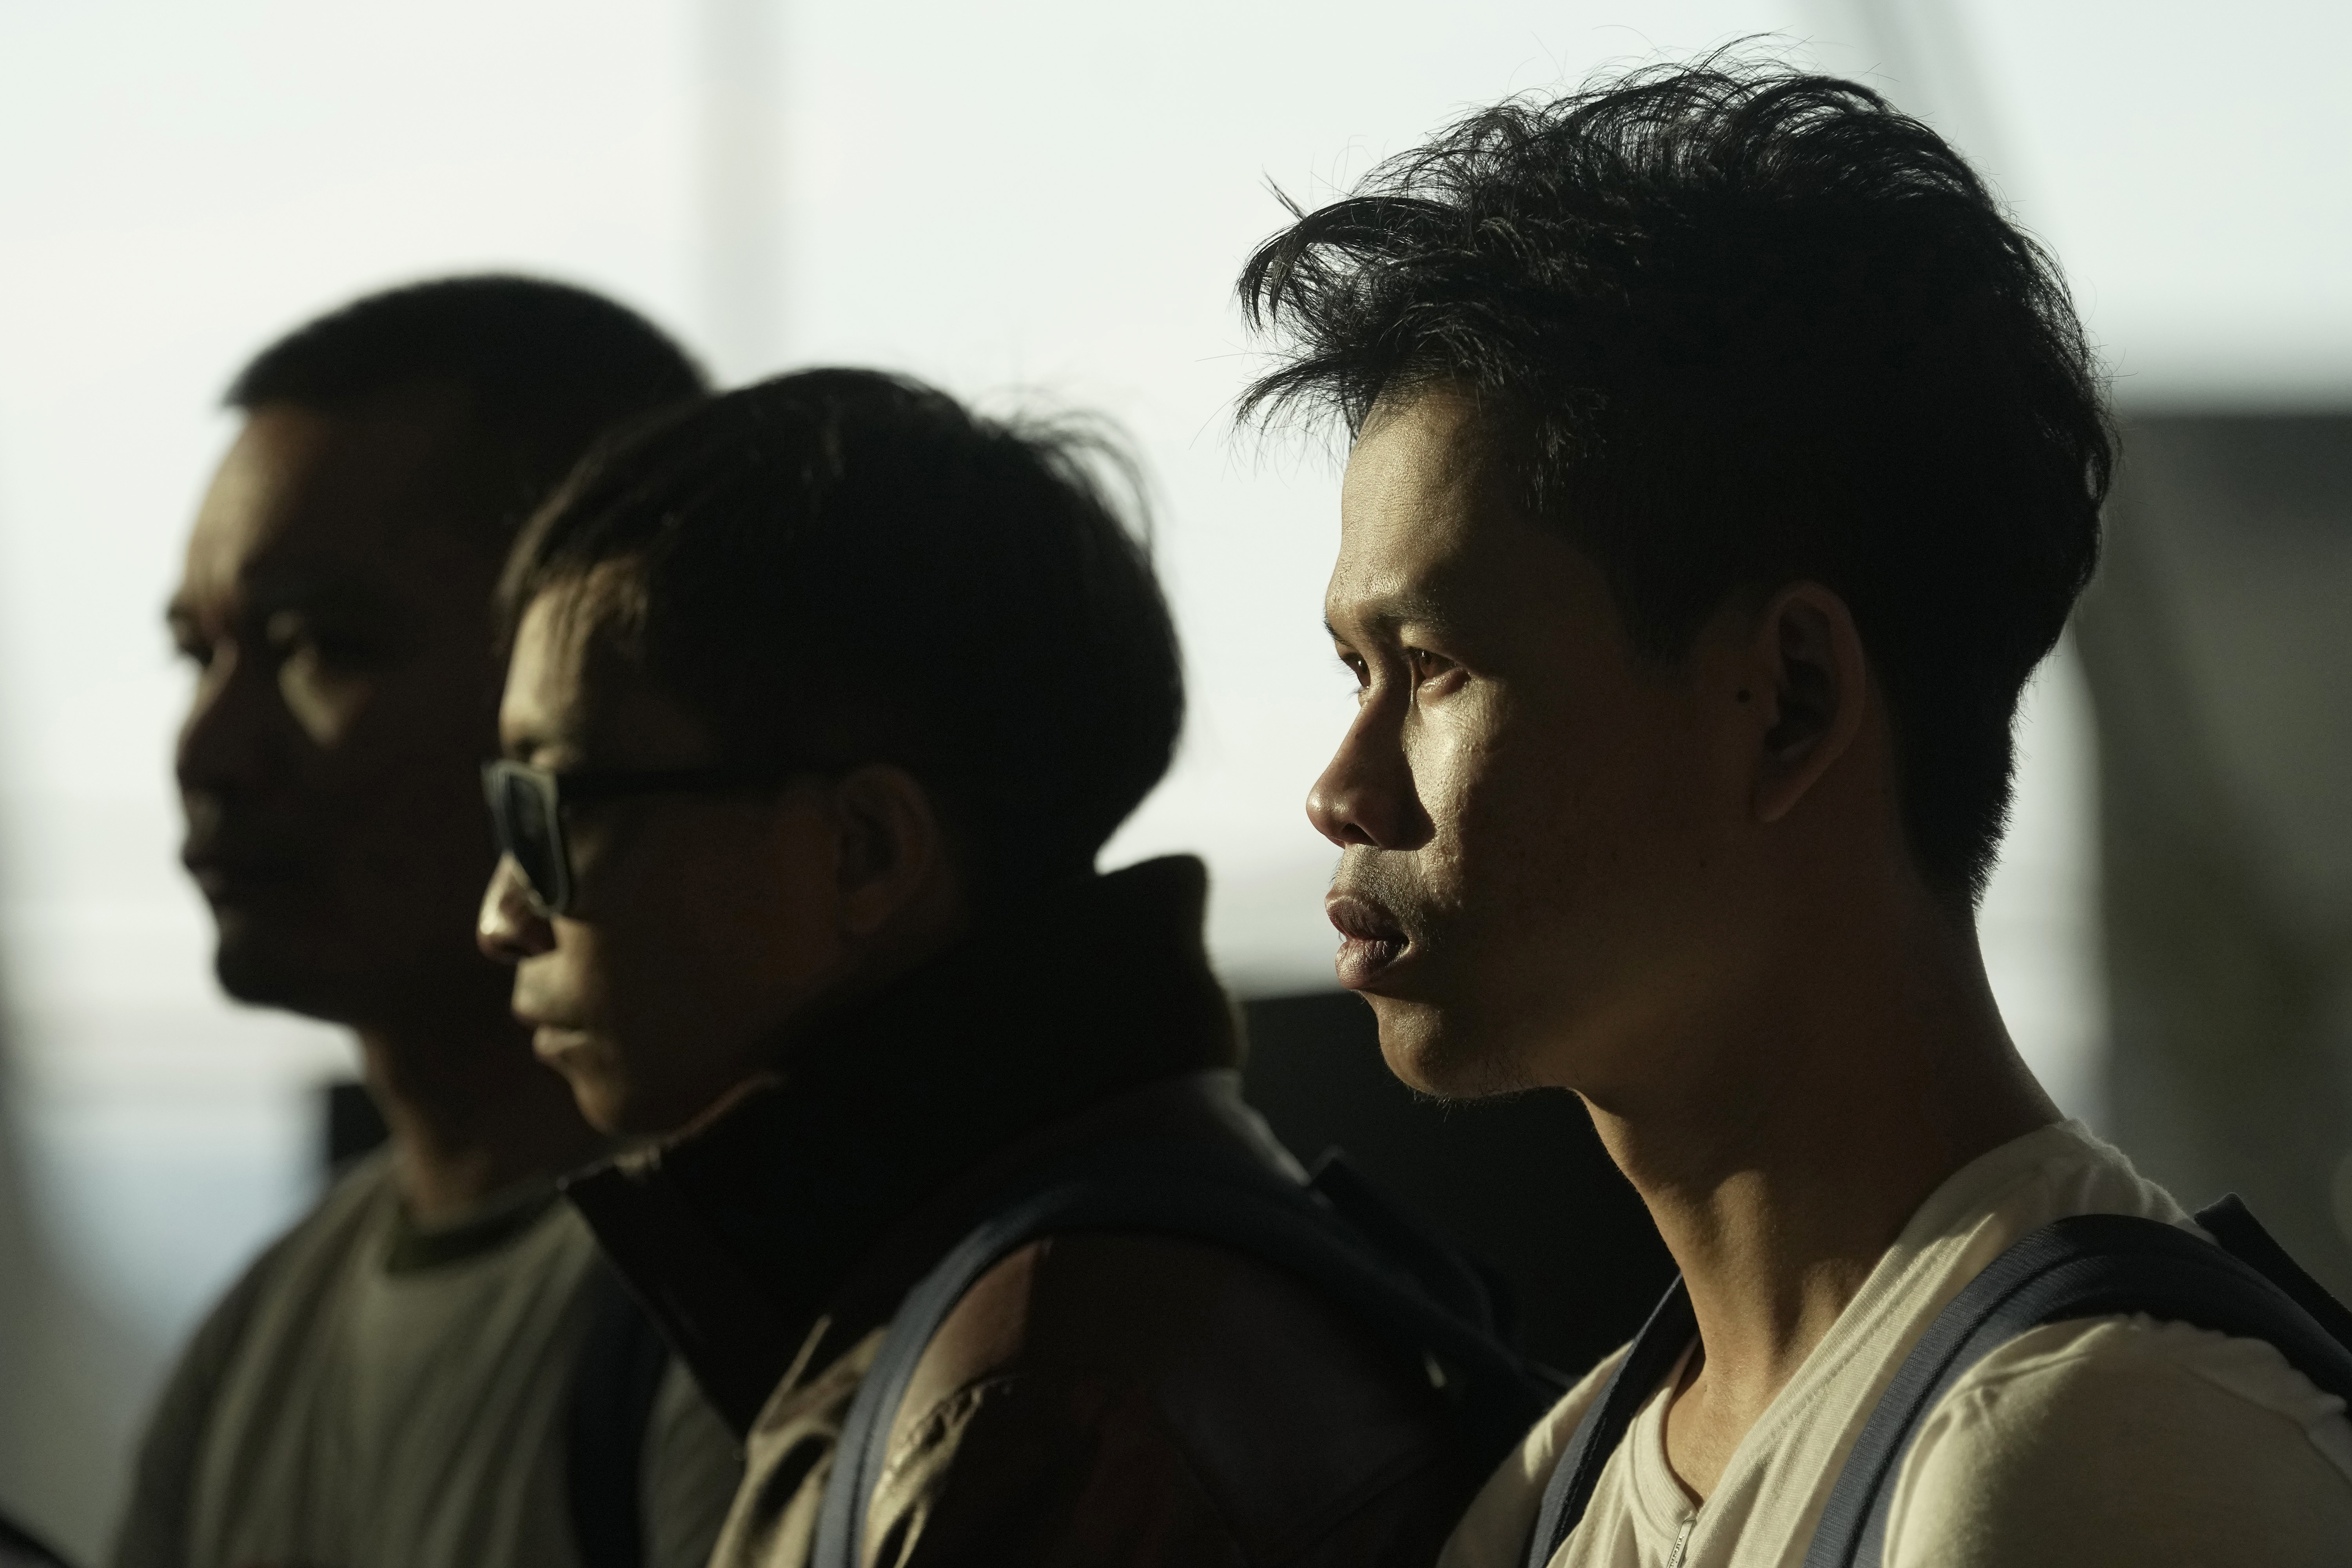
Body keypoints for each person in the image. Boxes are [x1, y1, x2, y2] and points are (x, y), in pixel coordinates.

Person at [1236, 57, 2352, 1568]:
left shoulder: (2085, 1460)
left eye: (1433, 670)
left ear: (1792, 701)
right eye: (1354, 669)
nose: (1341, 789)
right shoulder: (1564, 1488)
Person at [475, 368, 1510, 1567]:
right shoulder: (1046, 1300)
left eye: (550, 811)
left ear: (863, 852)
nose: (502, 913)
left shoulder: (1045, 1408)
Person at [120, 277, 742, 1568]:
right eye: (200, 654)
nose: (211, 749)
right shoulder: (261, 1331)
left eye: (319, 644)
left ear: (586, 675)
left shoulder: (743, 1316)